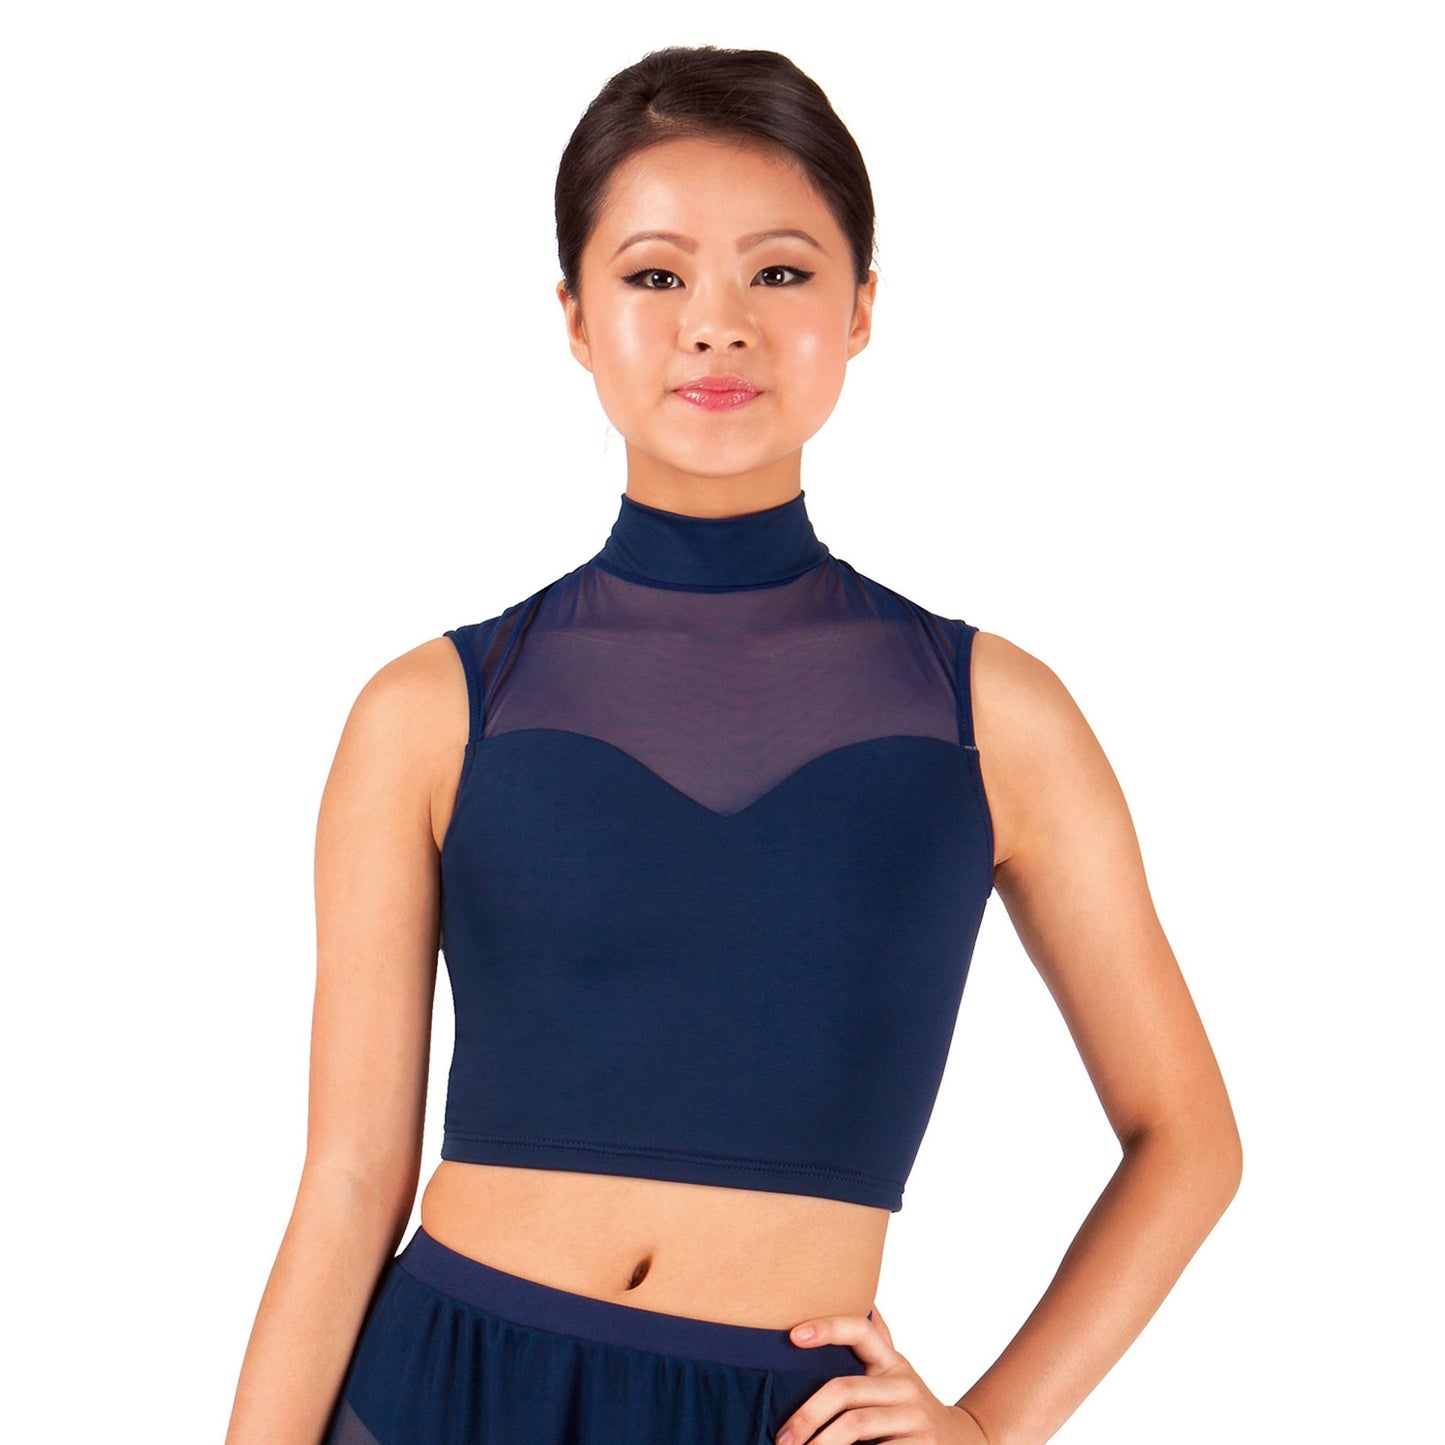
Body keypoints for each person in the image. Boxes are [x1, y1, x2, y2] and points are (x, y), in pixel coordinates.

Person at [224, 44, 1242, 1445]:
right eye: (655, 276)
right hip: (434, 1394)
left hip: (783, 1418)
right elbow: (347, 1181)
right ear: (575, 317)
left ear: (862, 306)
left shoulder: (994, 719)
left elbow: (1188, 1139)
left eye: (778, 271)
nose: (716, 326)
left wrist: (989, 1427)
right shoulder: (430, 713)